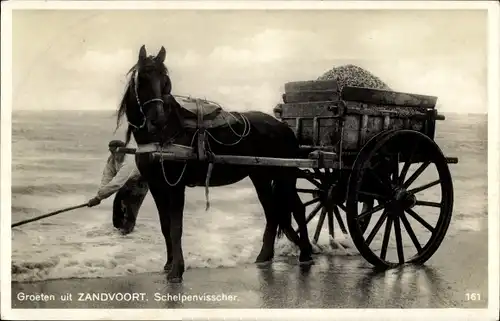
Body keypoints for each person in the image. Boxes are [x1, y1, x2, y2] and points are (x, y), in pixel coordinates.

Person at [87, 140, 149, 235]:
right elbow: (107, 177)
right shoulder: (112, 160)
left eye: (116, 152)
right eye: (112, 152)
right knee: (117, 204)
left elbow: (117, 183)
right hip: (126, 182)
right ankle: (118, 233)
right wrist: (99, 195)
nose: (115, 155)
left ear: (124, 151)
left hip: (140, 180)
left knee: (130, 206)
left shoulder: (130, 161)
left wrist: (99, 197)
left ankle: (128, 233)